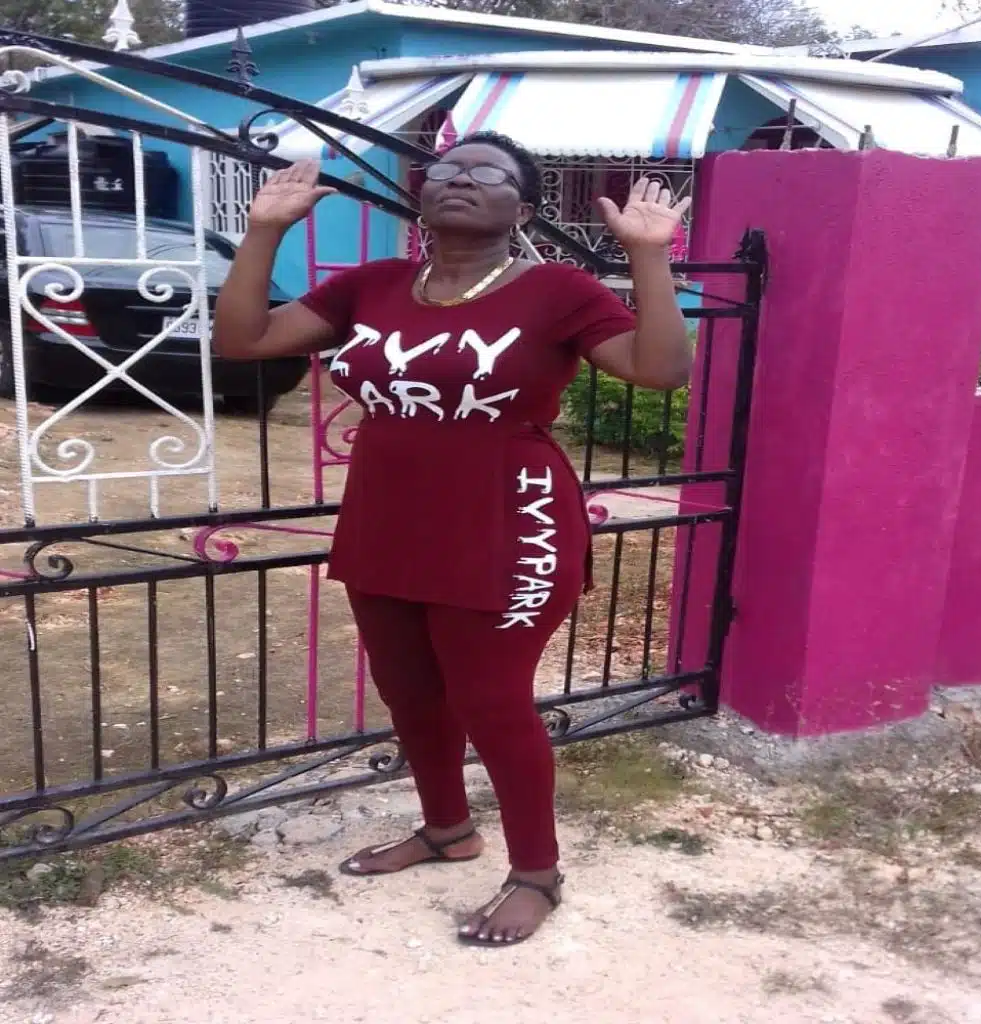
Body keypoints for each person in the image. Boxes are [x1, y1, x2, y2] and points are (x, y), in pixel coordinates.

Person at [213, 132, 692, 947]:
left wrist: (648, 255)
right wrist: (263, 231)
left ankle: (537, 873)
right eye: (446, 170)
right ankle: (446, 831)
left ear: (524, 209)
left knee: (491, 698)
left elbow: (661, 369)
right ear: (423, 195)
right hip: (388, 514)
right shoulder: (372, 285)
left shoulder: (556, 290)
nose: (461, 179)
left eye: (486, 173)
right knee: (408, 689)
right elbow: (243, 341)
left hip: (509, 517)